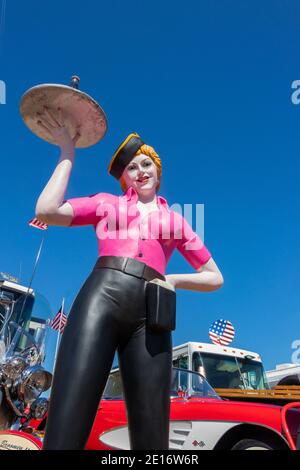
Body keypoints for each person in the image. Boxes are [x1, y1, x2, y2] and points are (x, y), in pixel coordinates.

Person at [35, 107, 224, 450]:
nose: (140, 171)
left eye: (146, 163)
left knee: (153, 434)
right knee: (69, 413)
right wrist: (67, 152)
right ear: (124, 178)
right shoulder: (106, 204)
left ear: (158, 170)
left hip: (152, 312)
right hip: (102, 296)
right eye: (131, 167)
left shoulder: (177, 221)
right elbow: (47, 210)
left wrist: (173, 281)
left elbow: (214, 277)